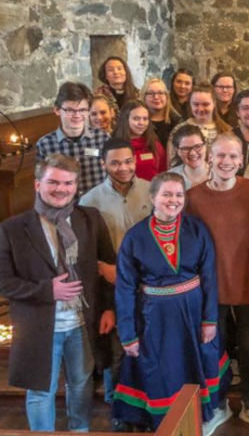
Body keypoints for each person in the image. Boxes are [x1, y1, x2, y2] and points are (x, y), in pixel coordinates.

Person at [0, 154, 116, 432]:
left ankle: (79, 430)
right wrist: (47, 290)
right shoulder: (12, 229)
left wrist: (109, 308)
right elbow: (4, 282)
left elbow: (107, 266)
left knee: (81, 383)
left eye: (68, 183)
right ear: (37, 184)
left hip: (82, 322)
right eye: (53, 182)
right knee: (41, 391)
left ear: (76, 186)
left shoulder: (89, 218)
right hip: (39, 326)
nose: (61, 189)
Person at [112, 171, 230, 433]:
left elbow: (209, 277)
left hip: (193, 314)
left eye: (179, 195)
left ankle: (202, 415)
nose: (173, 200)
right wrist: (128, 333)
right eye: (166, 194)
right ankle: (166, 422)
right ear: (153, 197)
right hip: (155, 319)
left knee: (196, 364)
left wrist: (209, 320)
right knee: (163, 370)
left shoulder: (197, 229)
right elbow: (125, 288)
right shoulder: (135, 237)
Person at [185, 135, 249, 434]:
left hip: (248, 282)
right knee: (215, 349)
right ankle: (218, 404)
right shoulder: (193, 197)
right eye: (221, 155)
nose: (226, 162)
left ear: (241, 160)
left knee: (248, 348)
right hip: (211, 289)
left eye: (233, 156)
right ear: (209, 158)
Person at [79, 139, 152, 429]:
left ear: (135, 161)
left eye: (127, 161)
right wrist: (102, 270)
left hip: (149, 282)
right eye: (115, 163)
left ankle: (145, 403)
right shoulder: (90, 201)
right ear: (103, 164)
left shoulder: (151, 190)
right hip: (112, 284)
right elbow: (87, 250)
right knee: (118, 349)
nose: (123, 168)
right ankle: (119, 408)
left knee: (146, 344)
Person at [37, 81, 110, 195]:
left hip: (97, 202)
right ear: (57, 110)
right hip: (64, 203)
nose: (77, 115)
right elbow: (42, 185)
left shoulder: (103, 138)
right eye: (70, 110)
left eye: (82, 110)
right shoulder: (45, 144)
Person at [169, 83, 233, 154]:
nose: (200, 109)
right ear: (190, 104)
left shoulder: (226, 131)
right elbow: (172, 159)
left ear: (214, 103)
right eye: (196, 104)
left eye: (205, 104)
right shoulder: (178, 130)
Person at [112, 100, 167, 181]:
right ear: (126, 120)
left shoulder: (155, 144)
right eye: (136, 118)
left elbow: (163, 172)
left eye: (145, 119)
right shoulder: (114, 146)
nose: (141, 123)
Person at [142, 77, 182, 148]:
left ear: (167, 97)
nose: (156, 97)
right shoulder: (138, 122)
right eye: (151, 93)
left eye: (160, 93)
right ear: (144, 97)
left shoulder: (177, 122)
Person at [168, 124, 210, 189]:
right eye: (186, 148)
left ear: (205, 146)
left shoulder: (219, 174)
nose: (192, 153)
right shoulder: (169, 178)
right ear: (177, 151)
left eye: (197, 146)